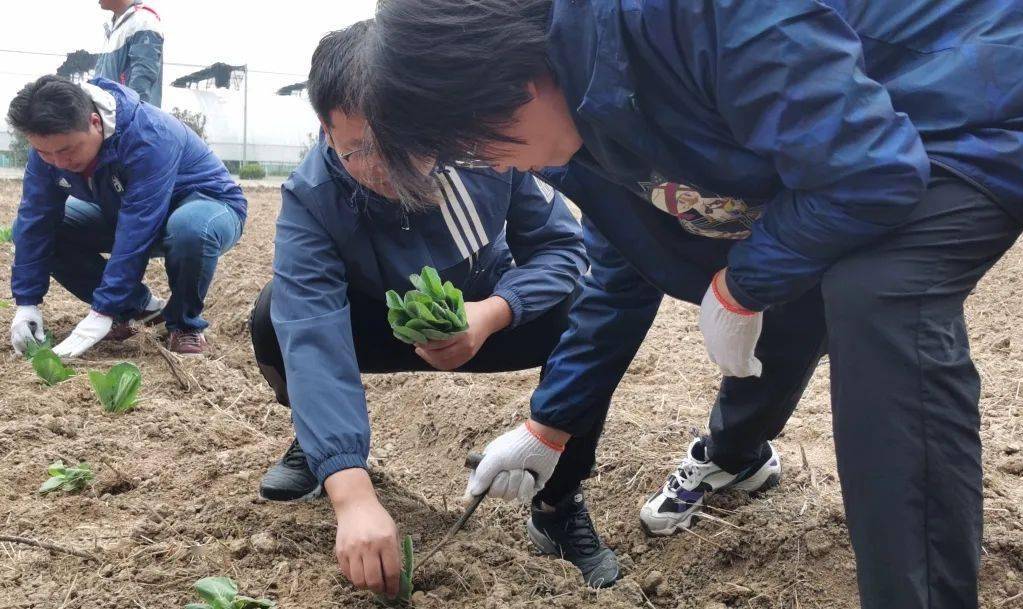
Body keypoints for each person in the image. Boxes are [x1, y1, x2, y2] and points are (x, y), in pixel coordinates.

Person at [358, 1, 1023, 607]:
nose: (496, 170)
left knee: (876, 289)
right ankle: (736, 454)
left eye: (475, 151)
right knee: (796, 260)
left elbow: (873, 173)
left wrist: (740, 286)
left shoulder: (695, 14)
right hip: (871, 125)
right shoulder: (575, 123)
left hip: (984, 83)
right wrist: (548, 427)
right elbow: (619, 268)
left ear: (499, 82)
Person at [247, 23, 589, 597]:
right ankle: (319, 450)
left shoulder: (483, 154)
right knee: (271, 316)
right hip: (378, 327)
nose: (382, 167)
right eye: (356, 149)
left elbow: (563, 248)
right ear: (326, 132)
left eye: (400, 144)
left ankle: (559, 501)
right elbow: (313, 334)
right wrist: (353, 496)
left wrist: (492, 313)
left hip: (480, 316)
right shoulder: (312, 198)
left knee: (583, 314)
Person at [7, 75, 246, 357]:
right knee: (46, 230)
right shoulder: (50, 148)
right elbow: (36, 218)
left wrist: (102, 309)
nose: (58, 163)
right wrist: (26, 303)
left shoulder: (149, 135)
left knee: (189, 230)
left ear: (95, 123)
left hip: (207, 204)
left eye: (67, 150)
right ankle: (140, 309)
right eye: (44, 153)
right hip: (124, 208)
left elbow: (137, 227)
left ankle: (184, 324)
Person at [95, 0, 164, 107]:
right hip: (109, 118)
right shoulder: (115, 27)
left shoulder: (143, 21)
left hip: (127, 121)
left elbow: (139, 91)